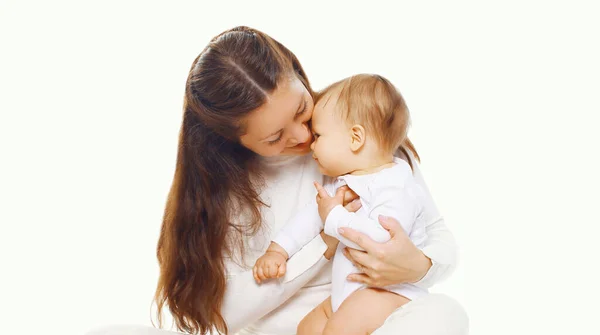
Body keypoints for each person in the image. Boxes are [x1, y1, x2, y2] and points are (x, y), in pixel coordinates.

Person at [87, 26, 468, 335]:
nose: (303, 138)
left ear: (300, 76)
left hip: (369, 320)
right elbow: (219, 316)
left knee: (443, 313)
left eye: (302, 109)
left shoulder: (366, 147)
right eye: (274, 138)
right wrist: (322, 242)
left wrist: (417, 266)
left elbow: (438, 234)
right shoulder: (222, 194)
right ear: (234, 141)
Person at [253, 73, 432, 334]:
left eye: (318, 135)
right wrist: (277, 251)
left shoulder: (395, 185)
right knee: (307, 328)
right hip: (350, 293)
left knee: (337, 330)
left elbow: (383, 237)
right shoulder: (346, 183)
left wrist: (335, 216)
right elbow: (310, 217)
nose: (311, 144)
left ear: (355, 138)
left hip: (389, 292)